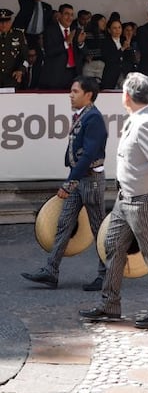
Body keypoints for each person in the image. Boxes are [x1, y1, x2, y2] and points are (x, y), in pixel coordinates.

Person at [80, 72, 148, 327]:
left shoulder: (145, 123)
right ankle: (109, 304)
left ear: (128, 95)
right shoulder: (138, 118)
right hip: (128, 197)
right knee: (112, 244)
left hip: (144, 198)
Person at [22, 76, 108, 290]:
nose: (71, 94)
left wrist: (69, 183)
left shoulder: (93, 118)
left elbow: (88, 155)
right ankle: (51, 270)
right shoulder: (86, 116)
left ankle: (106, 274)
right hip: (82, 180)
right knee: (64, 224)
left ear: (88, 95)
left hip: (90, 182)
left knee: (99, 230)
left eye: (75, 91)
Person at [41, 4, 86, 90]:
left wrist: (81, 43)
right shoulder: (50, 30)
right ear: (59, 15)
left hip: (74, 73)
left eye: (72, 15)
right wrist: (66, 43)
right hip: (56, 75)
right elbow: (49, 51)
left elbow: (85, 52)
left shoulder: (76, 31)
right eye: (66, 14)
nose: (69, 17)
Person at [0, 8, 28, 88]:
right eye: (1, 22)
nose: (4, 24)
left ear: (11, 21)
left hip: (12, 78)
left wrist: (21, 70)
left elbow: (25, 58)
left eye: (7, 21)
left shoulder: (18, 35)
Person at [99, 19, 127, 90]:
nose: (117, 30)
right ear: (109, 30)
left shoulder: (124, 41)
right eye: (114, 28)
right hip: (110, 75)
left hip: (124, 74)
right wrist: (122, 49)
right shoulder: (105, 42)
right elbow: (109, 58)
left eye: (119, 27)